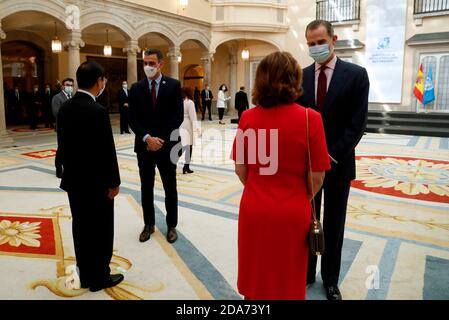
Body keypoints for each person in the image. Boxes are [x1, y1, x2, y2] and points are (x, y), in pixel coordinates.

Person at [231, 51, 330, 300]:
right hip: (293, 212)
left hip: (254, 208)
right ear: (295, 79)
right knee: (288, 280)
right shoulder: (311, 119)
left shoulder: (247, 118)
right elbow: (317, 178)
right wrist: (295, 196)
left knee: (256, 278)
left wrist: (260, 187)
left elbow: (241, 170)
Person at [296, 20, 369, 300]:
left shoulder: (356, 75)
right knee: (307, 219)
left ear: (333, 39)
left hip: (337, 164)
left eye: (320, 42)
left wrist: (331, 155)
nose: (315, 47)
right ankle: (305, 272)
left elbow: (357, 123)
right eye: (311, 43)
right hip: (306, 166)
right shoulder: (300, 77)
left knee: (334, 223)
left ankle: (330, 279)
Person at [57, 61, 123, 292]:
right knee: (102, 230)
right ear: (99, 81)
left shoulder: (65, 108)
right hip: (97, 184)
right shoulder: (97, 111)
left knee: (82, 228)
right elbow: (107, 152)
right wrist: (114, 183)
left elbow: (61, 145)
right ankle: (100, 277)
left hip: (75, 182)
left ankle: (85, 274)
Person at [128, 48, 184, 244]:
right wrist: (147, 138)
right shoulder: (136, 88)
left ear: (161, 64)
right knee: (146, 187)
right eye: (145, 63)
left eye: (152, 63)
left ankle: (171, 226)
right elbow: (132, 118)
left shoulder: (174, 86)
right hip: (144, 147)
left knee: (170, 187)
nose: (148, 66)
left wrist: (159, 141)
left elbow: (176, 117)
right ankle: (148, 224)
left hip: (167, 146)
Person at [52, 78, 74, 178]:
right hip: (62, 128)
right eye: (67, 85)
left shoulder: (73, 97)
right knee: (61, 148)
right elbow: (56, 112)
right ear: (63, 86)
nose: (70, 87)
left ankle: (68, 167)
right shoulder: (57, 97)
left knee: (70, 148)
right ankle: (58, 168)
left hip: (73, 128)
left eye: (71, 85)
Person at [180, 87, 201, 174]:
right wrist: (197, 129)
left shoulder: (179, 101)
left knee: (181, 145)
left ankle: (173, 163)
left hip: (179, 124)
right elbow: (193, 117)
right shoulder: (190, 102)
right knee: (189, 146)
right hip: (187, 125)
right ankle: (186, 166)